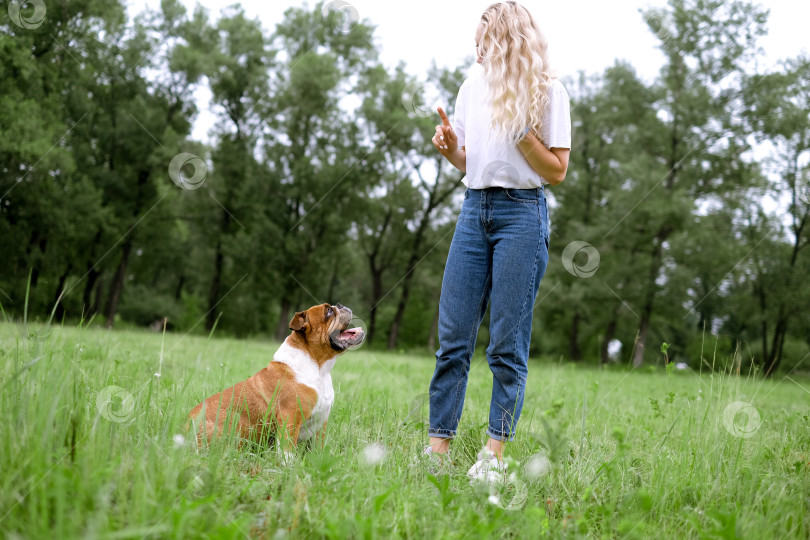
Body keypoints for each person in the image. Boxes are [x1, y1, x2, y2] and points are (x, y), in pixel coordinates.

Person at [425, 1, 571, 482]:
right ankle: (438, 451)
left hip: (522, 216)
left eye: (483, 42)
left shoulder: (549, 92)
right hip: (474, 212)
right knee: (454, 339)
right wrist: (450, 150)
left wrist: (524, 134)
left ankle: (492, 457)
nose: (477, 51)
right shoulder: (472, 86)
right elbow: (471, 161)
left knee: (506, 344)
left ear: (507, 40)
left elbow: (557, 170)